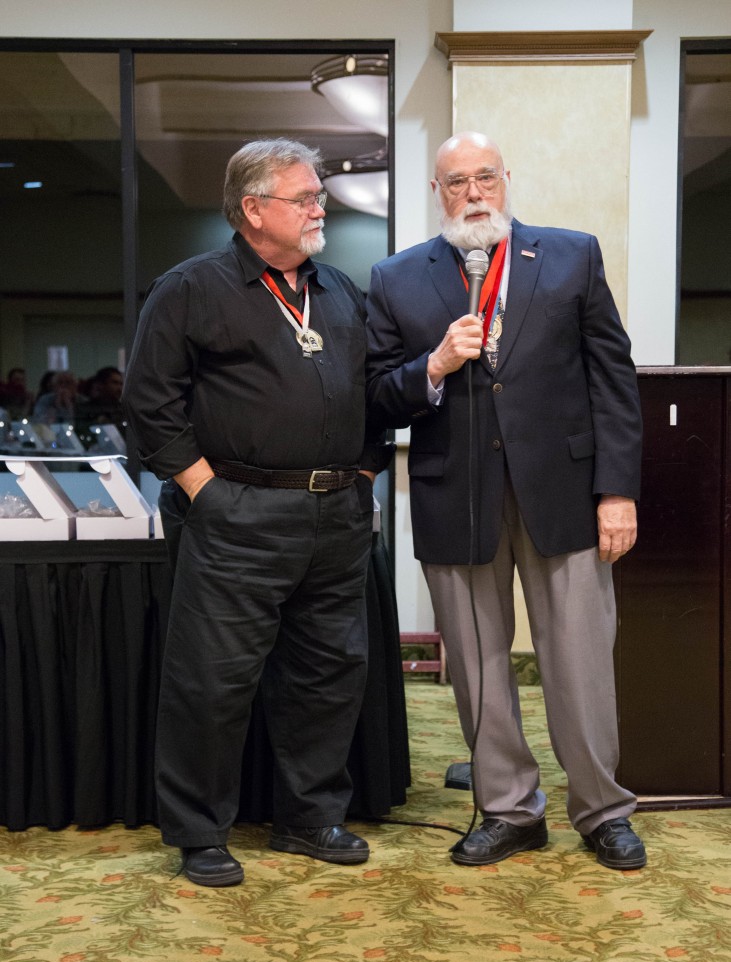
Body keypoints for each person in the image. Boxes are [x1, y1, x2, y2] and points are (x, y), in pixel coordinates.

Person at [365, 131, 646, 871]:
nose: (473, 193)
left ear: (505, 179)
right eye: (456, 182)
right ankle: (508, 809)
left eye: (484, 177)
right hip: (454, 497)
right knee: (481, 668)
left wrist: (617, 491)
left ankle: (602, 809)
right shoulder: (396, 278)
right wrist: (430, 365)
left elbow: (611, 380)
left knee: (579, 662)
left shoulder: (569, 254)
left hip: (565, 494)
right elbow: (375, 395)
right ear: (438, 193)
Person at [123, 137, 389, 888]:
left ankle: (309, 821)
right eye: (303, 198)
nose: (319, 208)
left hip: (335, 514)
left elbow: (370, 391)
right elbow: (150, 404)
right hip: (237, 515)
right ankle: (200, 834)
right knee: (212, 682)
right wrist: (206, 489)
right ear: (252, 209)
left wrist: (364, 471)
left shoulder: (337, 290)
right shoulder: (190, 288)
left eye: (317, 196)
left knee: (328, 676)